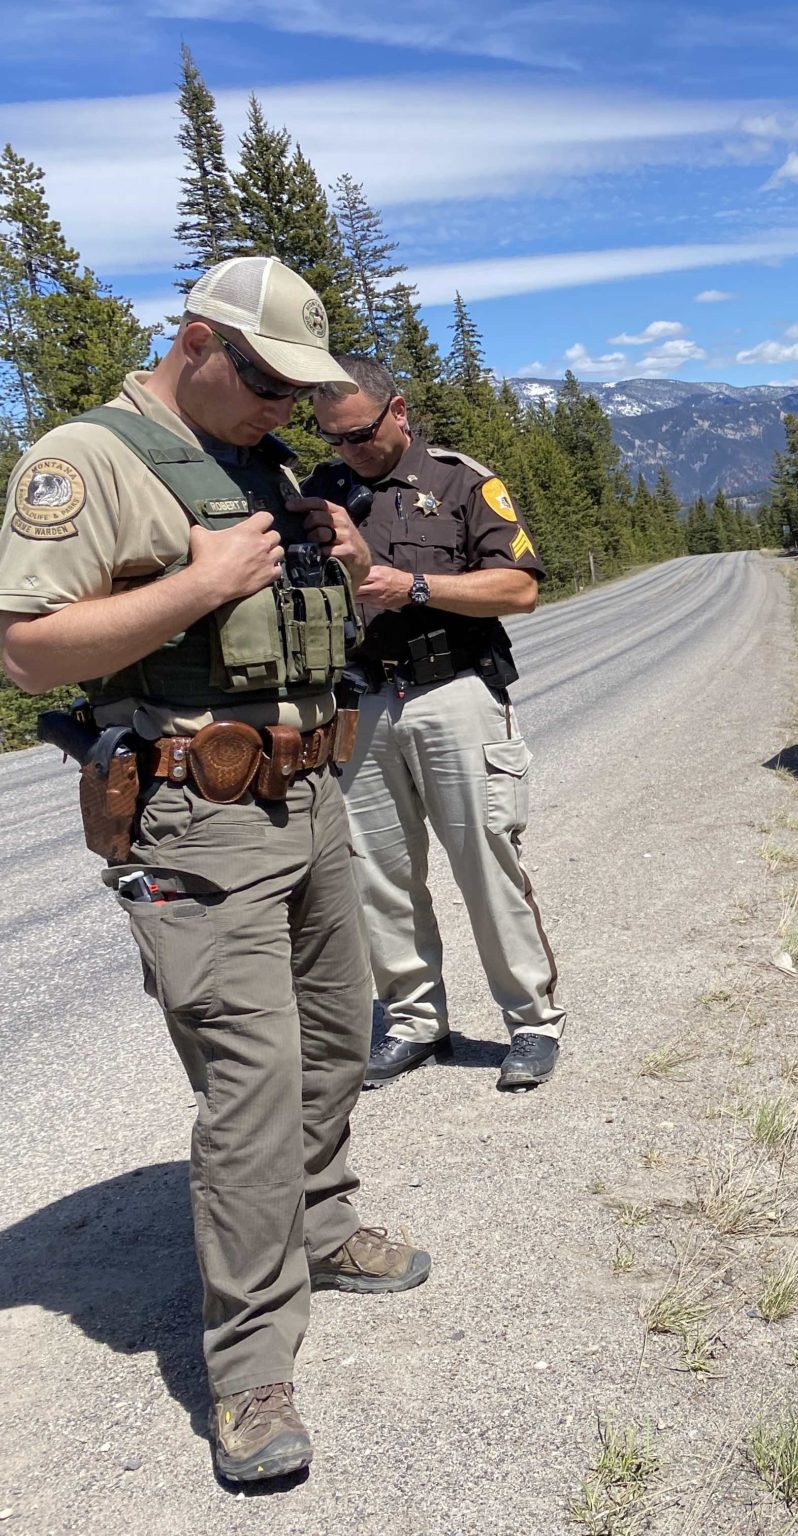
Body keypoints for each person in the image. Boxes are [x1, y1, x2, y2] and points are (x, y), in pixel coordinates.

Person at [0, 257, 431, 1483]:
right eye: (268, 383)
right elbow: (26, 651)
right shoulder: (84, 460)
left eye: (301, 390)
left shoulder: (259, 460)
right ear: (198, 342)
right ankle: (250, 1371)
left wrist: (342, 560)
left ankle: (323, 1226)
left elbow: (293, 625)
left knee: (337, 1037)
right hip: (195, 814)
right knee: (251, 1087)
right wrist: (200, 584)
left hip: (310, 793)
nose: (288, 408)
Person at [302, 355, 563, 1093]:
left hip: (454, 690)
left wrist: (413, 587)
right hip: (361, 700)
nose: (347, 449)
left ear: (398, 411)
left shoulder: (459, 482)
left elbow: (519, 589)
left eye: (358, 433)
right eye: (332, 437)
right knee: (377, 874)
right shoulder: (322, 491)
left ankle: (532, 1021)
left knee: (486, 860)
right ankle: (415, 1021)